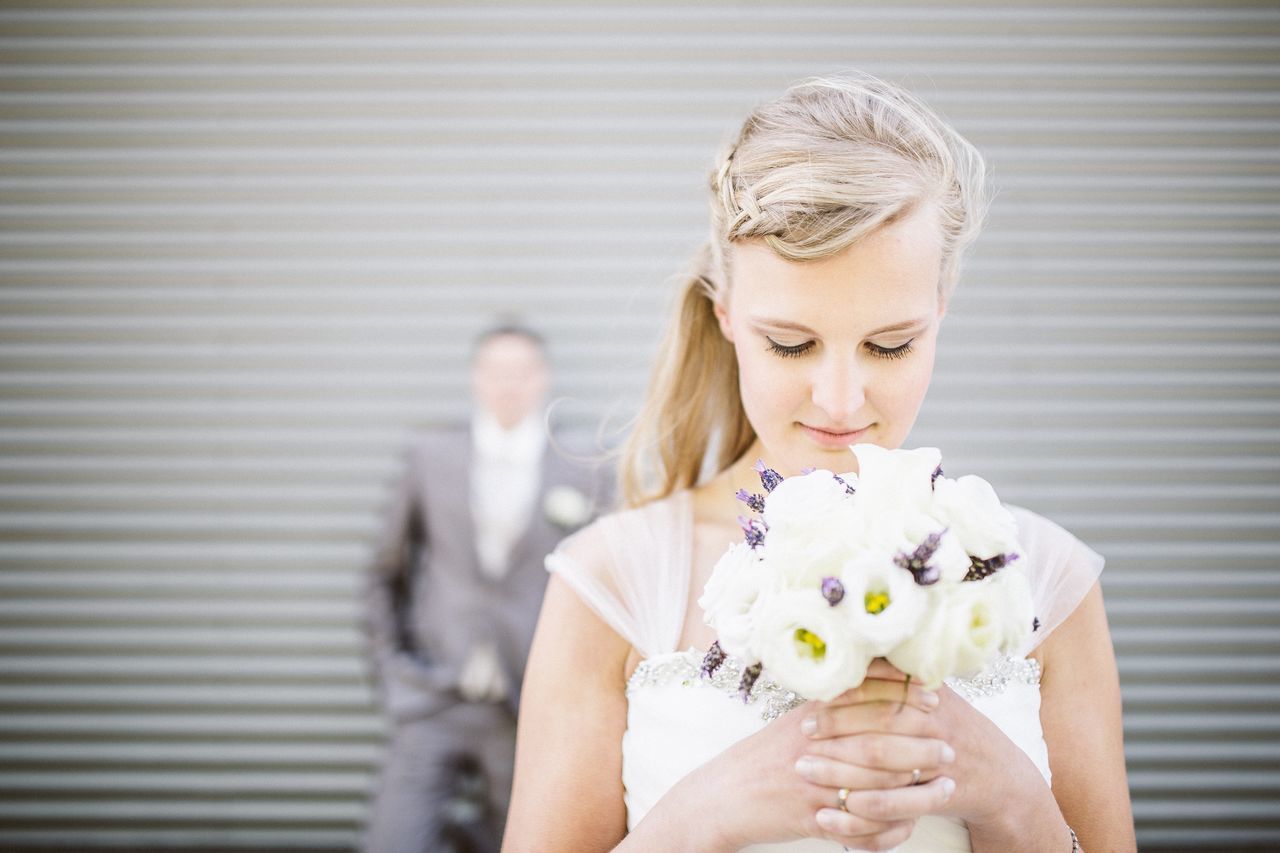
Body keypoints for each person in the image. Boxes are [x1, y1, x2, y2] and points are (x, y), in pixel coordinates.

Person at [503, 74, 1137, 852]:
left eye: (890, 343)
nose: (840, 401)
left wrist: (1010, 795)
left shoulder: (1048, 580)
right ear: (727, 313)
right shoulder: (613, 583)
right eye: (791, 343)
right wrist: (705, 812)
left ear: (942, 305)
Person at [361, 324, 606, 853]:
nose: (507, 385)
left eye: (520, 372)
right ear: (476, 379)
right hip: (434, 702)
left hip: (528, 710)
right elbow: (385, 574)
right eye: (496, 372)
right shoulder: (431, 456)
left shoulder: (585, 467)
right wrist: (396, 677)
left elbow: (609, 588)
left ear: (542, 379)